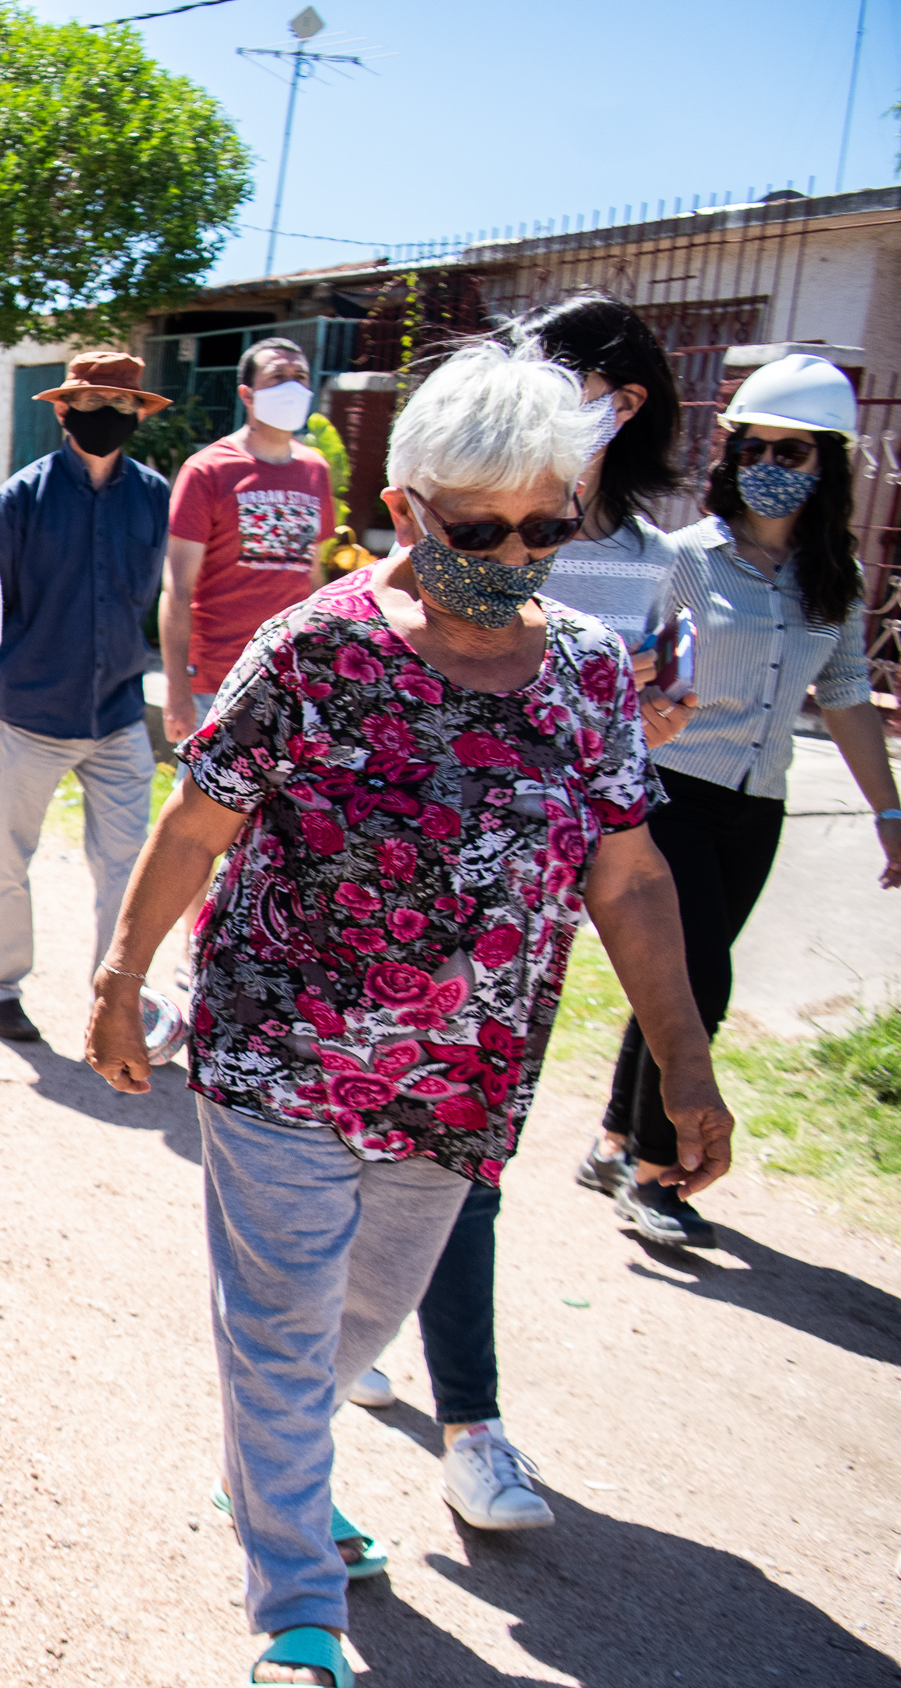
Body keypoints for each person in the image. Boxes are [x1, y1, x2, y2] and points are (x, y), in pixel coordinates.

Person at [83, 343, 733, 1688]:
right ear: (408, 506)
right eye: (478, 526)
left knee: (360, 1316)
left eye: (544, 524)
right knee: (282, 1315)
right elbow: (202, 816)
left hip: (461, 1085)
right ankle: (296, 1600)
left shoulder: (592, 677)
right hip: (280, 1053)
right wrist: (118, 972)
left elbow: (628, 873)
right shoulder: (316, 645)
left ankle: (275, 1463)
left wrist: (685, 1060)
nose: (512, 552)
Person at [363, 293, 701, 1527]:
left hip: (529, 915)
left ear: (630, 409)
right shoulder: (457, 514)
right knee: (396, 1158)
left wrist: (646, 725)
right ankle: (450, 1403)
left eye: (592, 389)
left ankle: (461, 1413)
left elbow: (634, 732)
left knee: (462, 1166)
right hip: (403, 902)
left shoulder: (651, 558)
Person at [583, 352, 901, 1251]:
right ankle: (654, 1178)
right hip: (672, 791)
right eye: (756, 446)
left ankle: (613, 1135)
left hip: (758, 805)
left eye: (794, 452)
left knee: (684, 974)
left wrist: (889, 813)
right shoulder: (680, 562)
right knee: (700, 981)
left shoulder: (832, 579)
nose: (771, 465)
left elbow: (842, 693)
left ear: (827, 467)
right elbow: (628, 674)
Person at [0, 348, 171, 1045]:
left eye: (121, 407)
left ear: (138, 414)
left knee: (129, 866)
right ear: (63, 409)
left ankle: (117, 1003)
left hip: (118, 715)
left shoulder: (153, 496)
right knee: (9, 857)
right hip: (32, 712)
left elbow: (152, 598)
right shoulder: (21, 500)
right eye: (92, 406)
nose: (107, 418)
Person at [162, 336, 335, 744]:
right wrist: (177, 692)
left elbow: (314, 578)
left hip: (291, 671)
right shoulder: (208, 470)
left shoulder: (316, 470)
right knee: (202, 800)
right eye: (278, 377)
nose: (292, 386)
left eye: (300, 377)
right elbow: (177, 588)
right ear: (247, 394)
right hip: (218, 676)